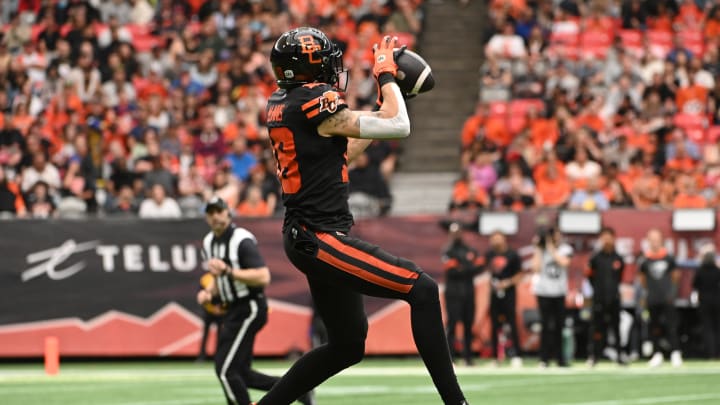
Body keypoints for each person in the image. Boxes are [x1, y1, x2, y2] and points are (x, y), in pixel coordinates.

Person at [257, 28, 468, 405]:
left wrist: (393, 95)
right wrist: (386, 76)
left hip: (309, 235)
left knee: (347, 345)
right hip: (318, 237)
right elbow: (398, 126)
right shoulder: (312, 101)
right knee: (421, 289)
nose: (331, 68)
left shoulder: (286, 100)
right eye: (323, 61)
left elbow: (346, 150)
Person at [196, 196, 313, 405]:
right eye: (210, 213)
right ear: (206, 217)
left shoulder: (240, 239)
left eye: (218, 211)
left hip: (249, 306)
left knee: (225, 370)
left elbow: (263, 276)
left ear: (228, 213)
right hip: (232, 309)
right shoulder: (208, 242)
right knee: (241, 372)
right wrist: (210, 291)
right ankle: (299, 390)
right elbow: (218, 277)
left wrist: (229, 271)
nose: (215, 216)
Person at [637, 228, 683, 368]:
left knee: (671, 326)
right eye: (652, 239)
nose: (654, 242)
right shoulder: (644, 259)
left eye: (657, 239)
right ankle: (657, 354)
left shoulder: (668, 257)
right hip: (653, 297)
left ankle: (675, 353)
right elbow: (642, 279)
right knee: (654, 327)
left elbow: (676, 276)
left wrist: (672, 293)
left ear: (662, 240)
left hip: (666, 297)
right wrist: (647, 293)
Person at [442, 222, 484, 366]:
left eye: (458, 232)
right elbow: (452, 271)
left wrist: (462, 267)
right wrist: (468, 267)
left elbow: (480, 266)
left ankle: (468, 358)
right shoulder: (448, 251)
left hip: (468, 292)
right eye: (454, 232)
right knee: (452, 325)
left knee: (468, 325)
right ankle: (450, 358)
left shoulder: (469, 249)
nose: (456, 235)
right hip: (453, 293)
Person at [531, 227, 573, 368]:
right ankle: (544, 358)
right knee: (545, 326)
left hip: (559, 292)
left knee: (559, 326)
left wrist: (550, 247)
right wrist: (538, 248)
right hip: (543, 292)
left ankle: (560, 358)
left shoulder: (565, 249)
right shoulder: (541, 250)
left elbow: (563, 263)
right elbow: (536, 269)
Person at [586, 227, 626, 366]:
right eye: (604, 237)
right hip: (599, 298)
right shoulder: (595, 258)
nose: (607, 240)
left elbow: (619, 277)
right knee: (597, 328)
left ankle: (620, 355)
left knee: (616, 328)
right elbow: (590, 277)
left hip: (614, 298)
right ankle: (594, 356)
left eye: (609, 237)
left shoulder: (618, 258)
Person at [484, 230, 524, 367]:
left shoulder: (512, 255)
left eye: (498, 238)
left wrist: (506, 283)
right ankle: (496, 356)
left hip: (509, 293)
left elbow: (519, 274)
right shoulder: (489, 254)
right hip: (495, 293)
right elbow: (489, 271)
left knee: (511, 323)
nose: (495, 241)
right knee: (495, 325)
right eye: (493, 239)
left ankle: (516, 355)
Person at [692, 243, 720, 359]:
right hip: (717, 300)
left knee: (707, 327)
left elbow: (694, 285)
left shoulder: (700, 271)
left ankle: (710, 353)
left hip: (704, 301)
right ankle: (717, 353)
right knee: (717, 327)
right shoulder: (717, 271)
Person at [196, 272, 225, 362]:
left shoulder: (223, 278)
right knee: (205, 333)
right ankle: (202, 355)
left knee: (220, 335)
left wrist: (220, 307)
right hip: (208, 310)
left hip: (221, 311)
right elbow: (201, 295)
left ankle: (218, 356)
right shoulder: (205, 278)